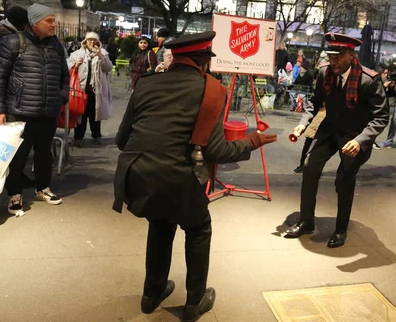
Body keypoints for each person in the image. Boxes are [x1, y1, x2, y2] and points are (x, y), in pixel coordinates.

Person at [113, 31, 277, 321]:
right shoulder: (211, 90)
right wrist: (252, 141)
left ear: (174, 57)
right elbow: (216, 151)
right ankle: (194, 302)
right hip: (179, 178)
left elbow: (122, 139)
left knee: (161, 225)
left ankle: (151, 294)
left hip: (137, 176)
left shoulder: (146, 84)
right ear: (203, 61)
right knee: (198, 229)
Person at [284, 33, 389, 248]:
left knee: (344, 179)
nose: (333, 61)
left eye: (338, 57)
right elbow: (314, 102)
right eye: (331, 56)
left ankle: (341, 229)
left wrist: (361, 140)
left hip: (355, 135)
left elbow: (382, 116)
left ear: (351, 55)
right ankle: (306, 221)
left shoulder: (369, 79)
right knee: (309, 166)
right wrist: (304, 122)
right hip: (329, 130)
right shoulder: (325, 73)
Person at [0, 3, 69, 215]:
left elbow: (64, 76)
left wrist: (61, 97)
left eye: (53, 20)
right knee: (17, 157)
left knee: (44, 154)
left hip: (47, 112)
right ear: (34, 22)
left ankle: (43, 188)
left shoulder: (56, 46)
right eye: (48, 20)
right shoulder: (12, 42)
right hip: (19, 111)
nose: (54, 24)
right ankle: (14, 194)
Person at [67, 32, 113, 147]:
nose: (92, 42)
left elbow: (108, 68)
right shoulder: (77, 54)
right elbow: (67, 68)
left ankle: (96, 135)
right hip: (80, 90)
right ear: (85, 42)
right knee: (80, 114)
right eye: (89, 40)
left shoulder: (103, 53)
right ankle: (78, 137)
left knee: (95, 115)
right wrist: (75, 66)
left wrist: (100, 56)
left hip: (96, 90)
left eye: (94, 40)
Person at [0, 6, 30, 94]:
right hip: (2, 89)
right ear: (19, 24)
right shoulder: (5, 39)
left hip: (3, 87)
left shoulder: (1, 33)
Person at [293, 104, 326, 174]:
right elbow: (311, 108)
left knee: (316, 152)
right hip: (314, 127)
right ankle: (302, 166)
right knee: (306, 149)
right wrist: (303, 124)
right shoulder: (320, 98)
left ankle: (314, 169)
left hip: (324, 131)